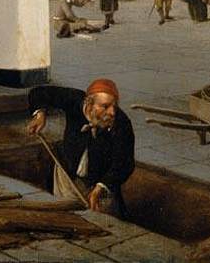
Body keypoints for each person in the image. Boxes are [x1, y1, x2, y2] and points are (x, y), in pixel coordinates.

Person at [26, 77, 135, 218]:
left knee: (103, 222)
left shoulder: (122, 124)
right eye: (105, 106)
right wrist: (40, 115)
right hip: (67, 176)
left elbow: (125, 163)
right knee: (65, 218)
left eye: (114, 106)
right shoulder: (74, 100)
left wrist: (101, 186)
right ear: (89, 104)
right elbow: (39, 93)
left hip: (100, 183)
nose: (112, 112)